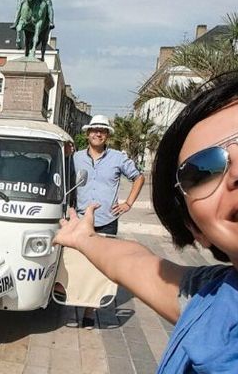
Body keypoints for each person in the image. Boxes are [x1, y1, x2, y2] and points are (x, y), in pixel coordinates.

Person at [54, 68, 238, 372]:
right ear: (195, 229)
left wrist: (125, 204)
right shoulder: (210, 304)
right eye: (203, 171)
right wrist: (83, 237)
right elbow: (134, 261)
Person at [72, 114, 145, 328]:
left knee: (99, 266)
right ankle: (71, 299)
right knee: (76, 263)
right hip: (81, 219)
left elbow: (138, 177)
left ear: (107, 136)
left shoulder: (117, 158)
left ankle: (89, 311)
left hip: (106, 220)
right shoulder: (75, 158)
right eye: (94, 130)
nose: (98, 133)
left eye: (102, 131)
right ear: (87, 134)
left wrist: (128, 203)